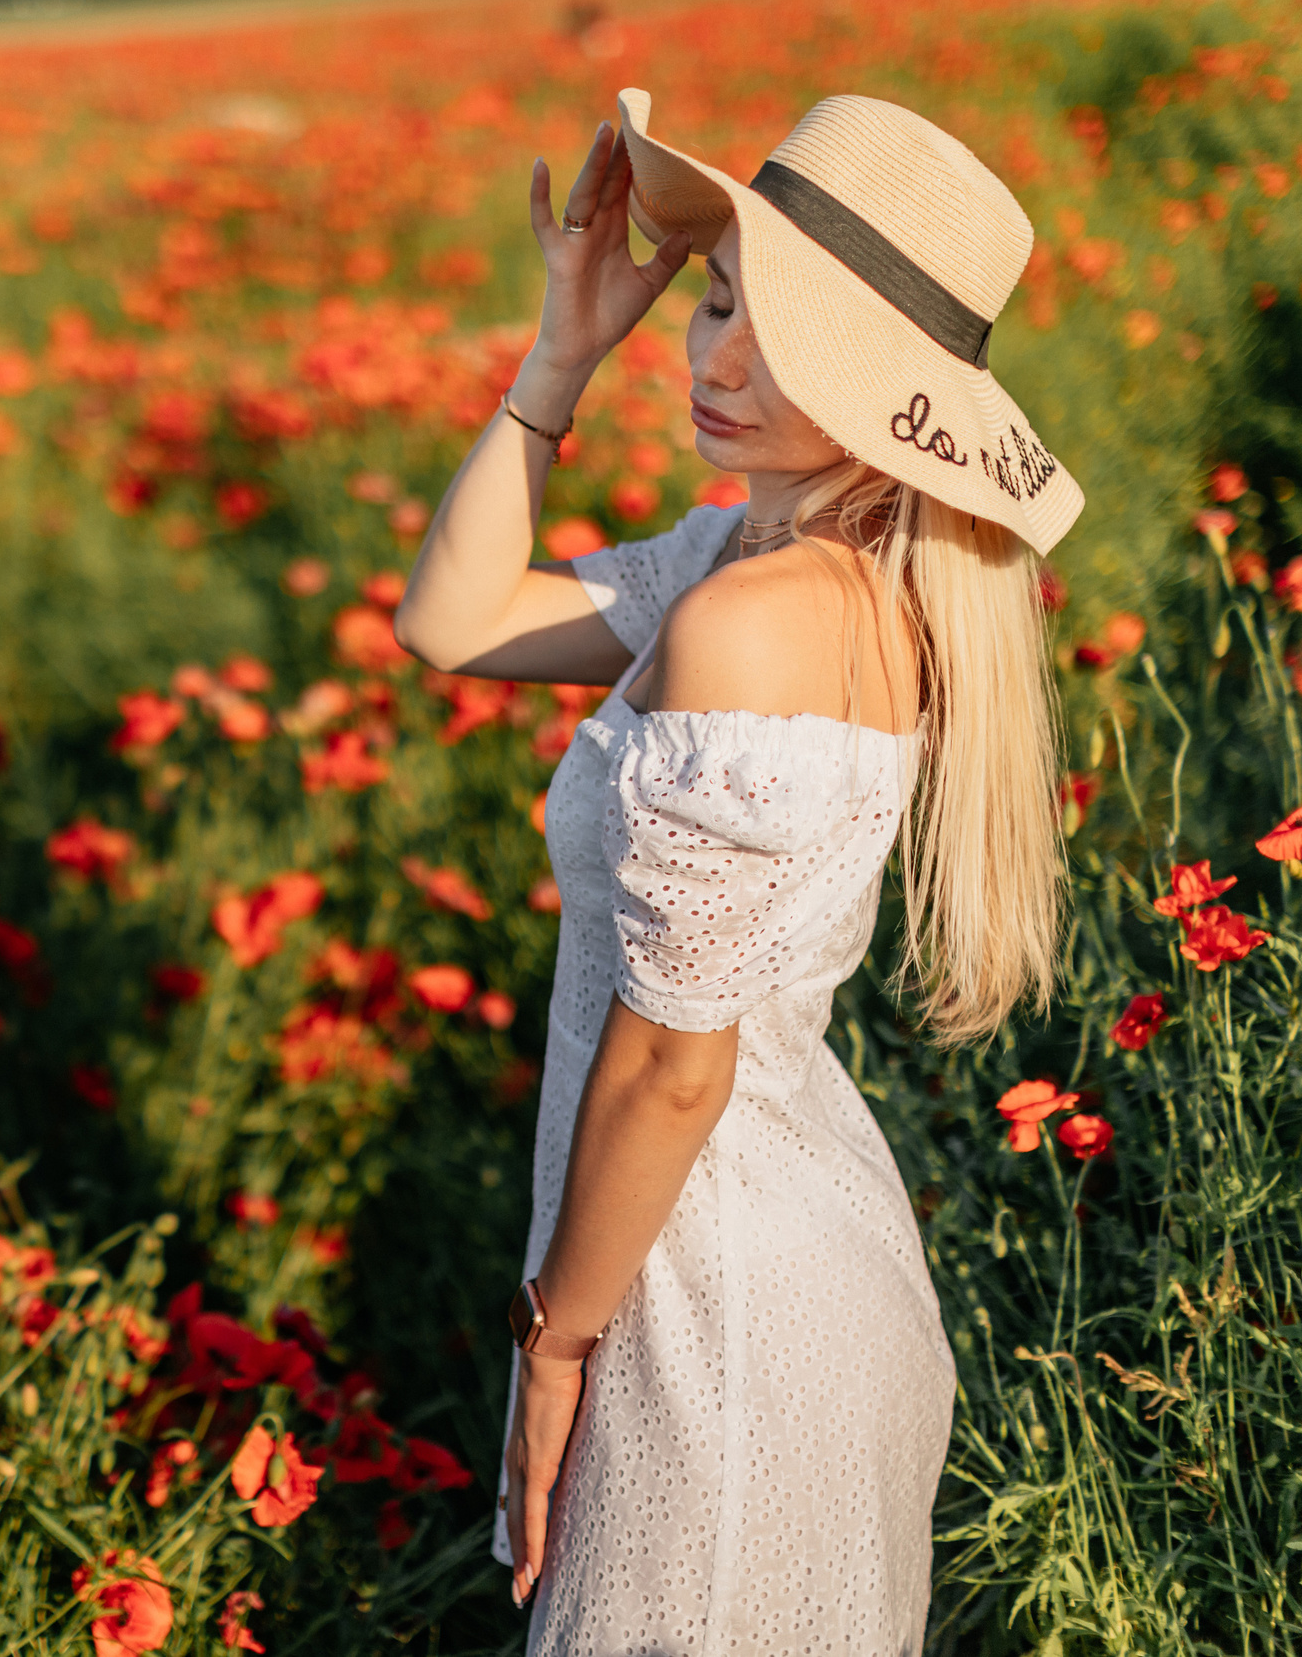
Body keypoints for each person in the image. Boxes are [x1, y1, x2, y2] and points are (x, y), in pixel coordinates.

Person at [392, 88, 1082, 1653]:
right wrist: (559, 355)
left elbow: (672, 1070)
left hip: (709, 1309)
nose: (712, 356)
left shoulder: (754, 622)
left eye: (781, 335)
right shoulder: (746, 567)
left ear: (883, 388)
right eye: (714, 300)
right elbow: (450, 623)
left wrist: (551, 1346)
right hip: (722, 1255)